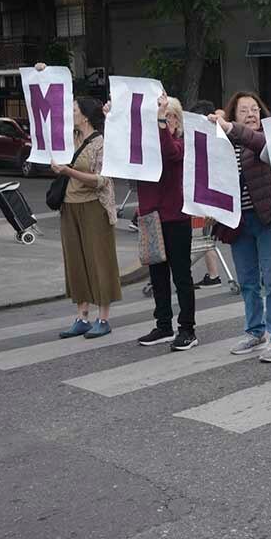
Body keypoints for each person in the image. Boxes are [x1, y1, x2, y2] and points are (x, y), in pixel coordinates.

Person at [209, 92, 271, 361]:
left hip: (268, 220)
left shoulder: (269, 138)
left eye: (255, 109)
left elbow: (256, 143)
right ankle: (255, 332)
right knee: (247, 281)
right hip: (238, 222)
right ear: (233, 114)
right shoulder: (221, 143)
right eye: (244, 110)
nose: (252, 114)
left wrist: (233, 128)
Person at [49, 92, 122, 339]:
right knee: (76, 261)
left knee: (100, 261)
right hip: (69, 207)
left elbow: (102, 180)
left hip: (94, 207)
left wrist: (69, 171)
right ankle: (82, 316)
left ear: (85, 116)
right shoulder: (69, 139)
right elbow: (48, 112)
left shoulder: (101, 143)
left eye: (74, 110)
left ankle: (103, 318)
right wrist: (42, 75)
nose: (70, 114)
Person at [132, 95, 198, 352]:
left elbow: (169, 152)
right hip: (151, 216)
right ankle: (163, 324)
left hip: (176, 217)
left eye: (170, 116)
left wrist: (160, 125)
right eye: (162, 116)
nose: (165, 120)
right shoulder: (145, 146)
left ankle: (187, 329)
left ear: (178, 121)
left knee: (181, 275)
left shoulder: (181, 143)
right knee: (157, 276)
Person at [188, 99, 222, 289]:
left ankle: (186, 273)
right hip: (208, 196)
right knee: (204, 237)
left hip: (202, 195)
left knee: (197, 237)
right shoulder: (216, 137)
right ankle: (214, 274)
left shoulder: (205, 138)